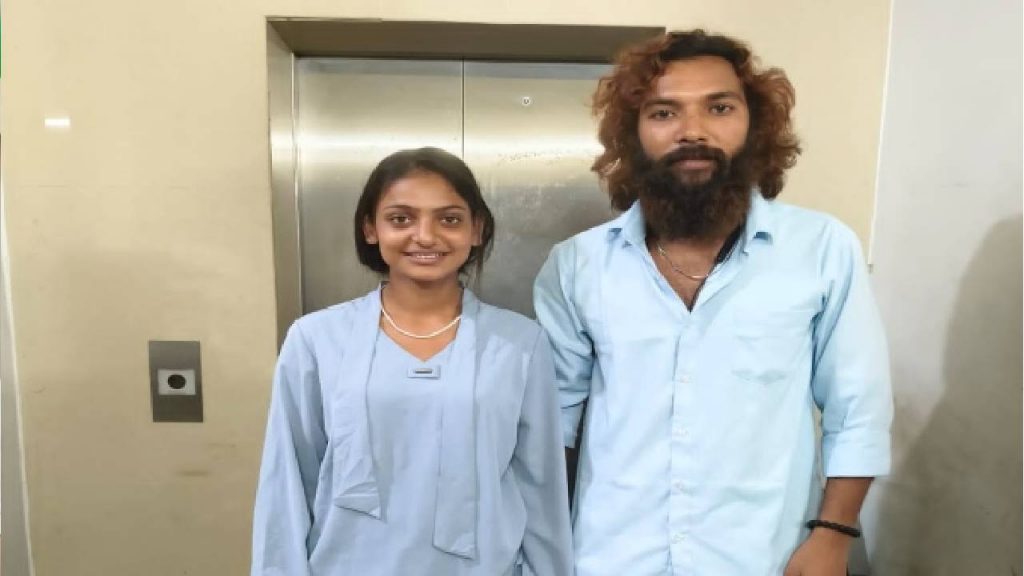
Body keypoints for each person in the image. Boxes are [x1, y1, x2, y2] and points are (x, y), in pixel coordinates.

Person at [534, 30, 893, 575]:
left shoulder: (821, 250)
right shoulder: (577, 265)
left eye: (719, 108)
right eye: (663, 113)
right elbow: (553, 422)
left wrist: (833, 535)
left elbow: (858, 408)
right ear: (633, 133)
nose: (693, 130)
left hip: (766, 557)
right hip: (612, 555)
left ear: (755, 125)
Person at [253, 147, 572, 576]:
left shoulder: (519, 344)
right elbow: (286, 483)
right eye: (401, 219)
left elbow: (541, 487)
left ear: (477, 229)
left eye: (449, 219)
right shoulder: (316, 339)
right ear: (370, 228)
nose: (425, 236)